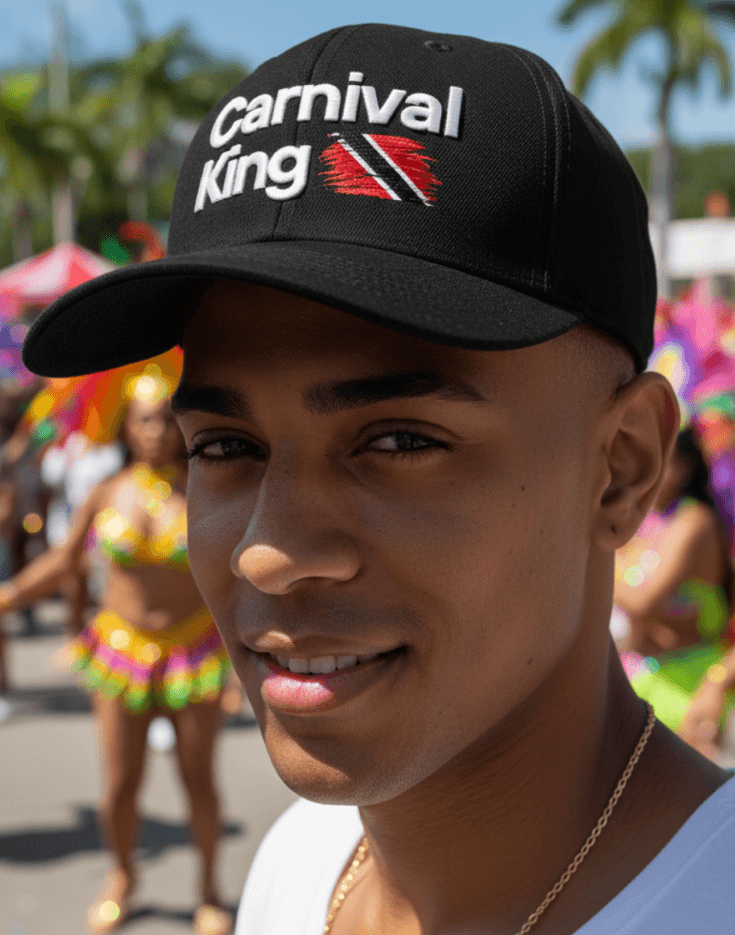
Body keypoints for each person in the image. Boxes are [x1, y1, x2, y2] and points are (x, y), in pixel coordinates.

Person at [21, 24, 735, 935]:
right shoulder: (301, 862)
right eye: (226, 446)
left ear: (620, 467)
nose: (270, 553)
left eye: (398, 441)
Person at [0, 371, 233, 935]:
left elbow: (236, 575)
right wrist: (7, 596)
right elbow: (64, 561)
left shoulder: (208, 491)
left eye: (167, 420)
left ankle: (208, 889)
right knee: (120, 785)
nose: (156, 431)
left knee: (198, 780)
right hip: (120, 652)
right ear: (126, 426)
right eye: (144, 420)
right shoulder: (107, 491)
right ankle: (122, 876)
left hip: (192, 653)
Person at [613, 429, 735, 741]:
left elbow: (643, 602)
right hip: (642, 680)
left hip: (691, 687)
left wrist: (589, 562)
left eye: (656, 460)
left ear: (683, 468)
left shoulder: (694, 522)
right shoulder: (643, 521)